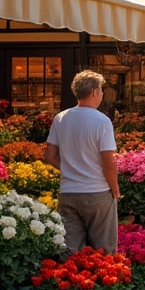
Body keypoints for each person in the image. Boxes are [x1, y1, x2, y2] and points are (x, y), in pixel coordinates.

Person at [45, 70, 119, 256]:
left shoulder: (60, 118)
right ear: (94, 92)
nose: (102, 94)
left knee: (69, 250)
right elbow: (108, 161)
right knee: (104, 251)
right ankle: (102, 284)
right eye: (101, 90)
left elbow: (50, 156)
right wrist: (115, 189)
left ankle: (71, 284)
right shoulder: (102, 121)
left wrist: (71, 170)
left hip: (68, 192)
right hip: (97, 192)